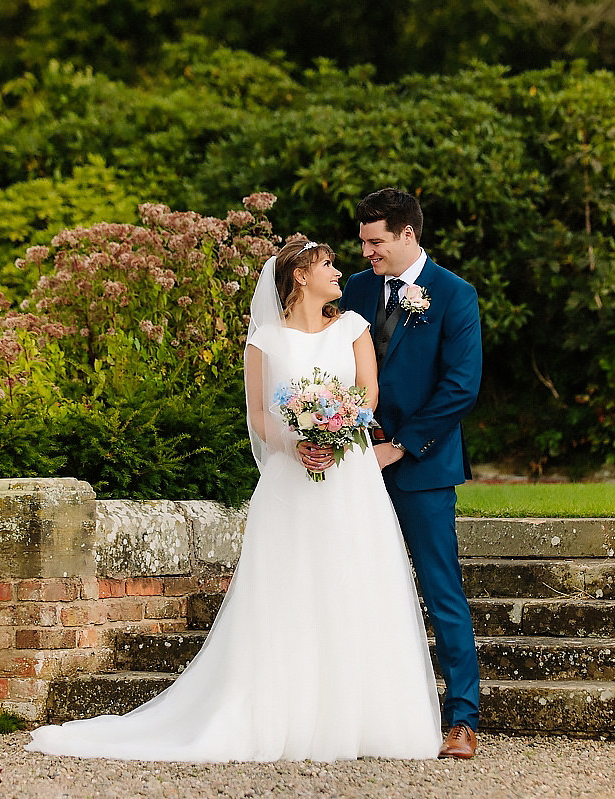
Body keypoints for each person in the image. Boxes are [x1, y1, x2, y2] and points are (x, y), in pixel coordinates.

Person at [25, 239, 442, 762]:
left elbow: (368, 396)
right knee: (288, 591)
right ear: (298, 277)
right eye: (328, 265)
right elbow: (261, 417)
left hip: (350, 478)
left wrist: (334, 434)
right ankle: (282, 715)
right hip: (292, 481)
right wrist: (300, 441)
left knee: (354, 579)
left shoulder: (354, 328)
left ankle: (365, 720)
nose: (340, 272)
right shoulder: (264, 343)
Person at [338, 187, 483, 759]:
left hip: (421, 466)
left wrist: (400, 446)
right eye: (363, 242)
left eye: (376, 242)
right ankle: (356, 714)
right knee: (351, 586)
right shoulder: (352, 289)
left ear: (407, 235)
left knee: (441, 589)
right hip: (353, 464)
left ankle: (463, 720)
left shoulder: (454, 295)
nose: (368, 252)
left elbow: (460, 387)